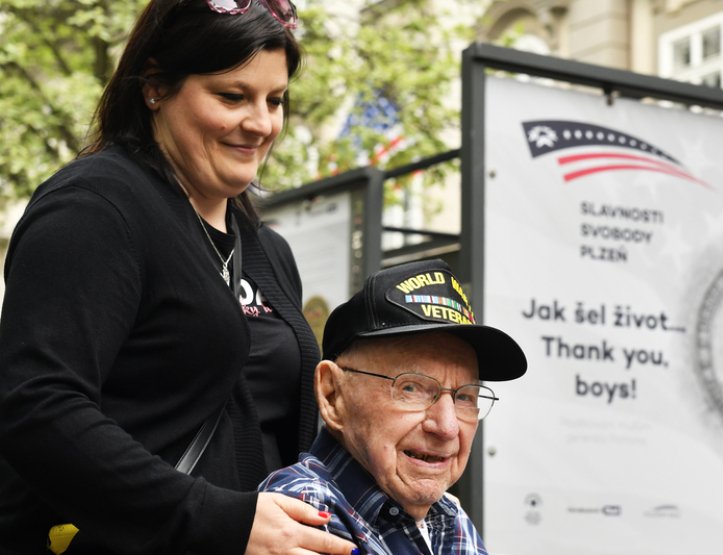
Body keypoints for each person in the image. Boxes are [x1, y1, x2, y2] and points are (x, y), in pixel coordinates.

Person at [0, 1, 357, 554]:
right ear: (155, 88)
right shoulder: (96, 208)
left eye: (275, 100)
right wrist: (219, 519)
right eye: (232, 96)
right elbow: (37, 408)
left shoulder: (267, 248)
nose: (261, 123)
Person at [259, 259, 528, 554]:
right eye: (411, 388)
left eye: (465, 397)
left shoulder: (448, 516)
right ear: (333, 395)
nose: (448, 427)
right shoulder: (304, 511)